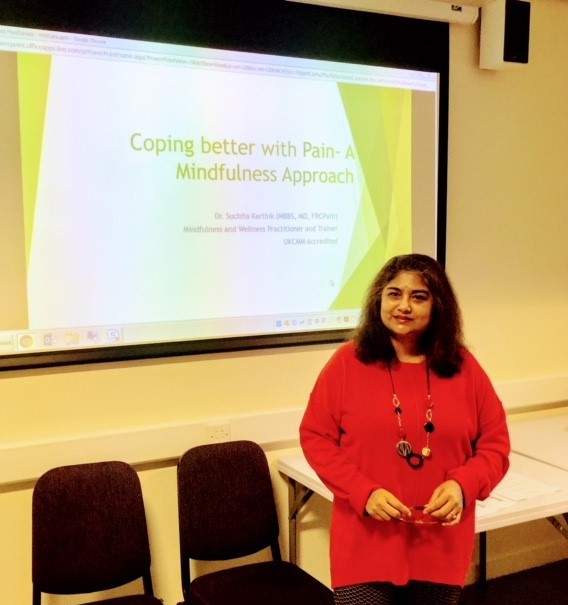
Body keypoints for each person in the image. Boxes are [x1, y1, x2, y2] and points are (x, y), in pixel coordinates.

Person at [300, 253, 510, 605]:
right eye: (394, 294)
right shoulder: (346, 363)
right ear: (378, 300)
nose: (404, 306)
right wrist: (362, 491)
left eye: (419, 296)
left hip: (440, 546)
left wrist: (463, 486)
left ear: (438, 305)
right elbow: (316, 438)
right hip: (366, 545)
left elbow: (495, 446)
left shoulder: (465, 367)